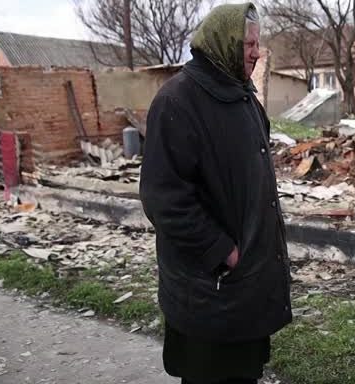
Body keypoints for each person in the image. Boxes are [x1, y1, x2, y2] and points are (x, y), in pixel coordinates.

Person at [139, 3, 292, 384]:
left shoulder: (245, 99)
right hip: (211, 285)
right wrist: (220, 250)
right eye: (249, 45)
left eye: (257, 44)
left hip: (246, 286)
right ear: (224, 43)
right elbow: (164, 197)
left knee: (243, 373)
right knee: (209, 374)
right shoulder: (178, 100)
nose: (257, 53)